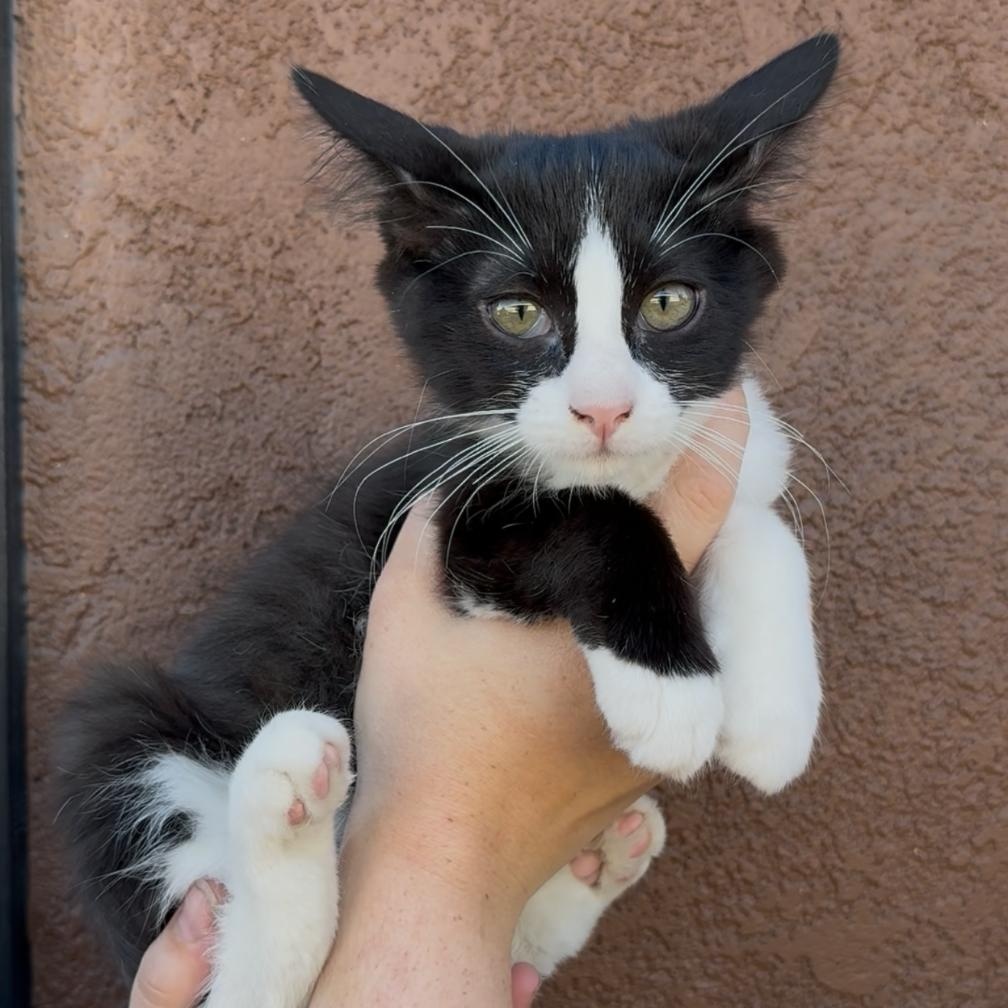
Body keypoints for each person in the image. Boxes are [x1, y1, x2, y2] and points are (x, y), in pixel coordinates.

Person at [129, 389, 749, 1008]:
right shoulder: (482, 471)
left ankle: (491, 924)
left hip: (303, 825)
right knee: (121, 741)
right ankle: (295, 940)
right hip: (226, 788)